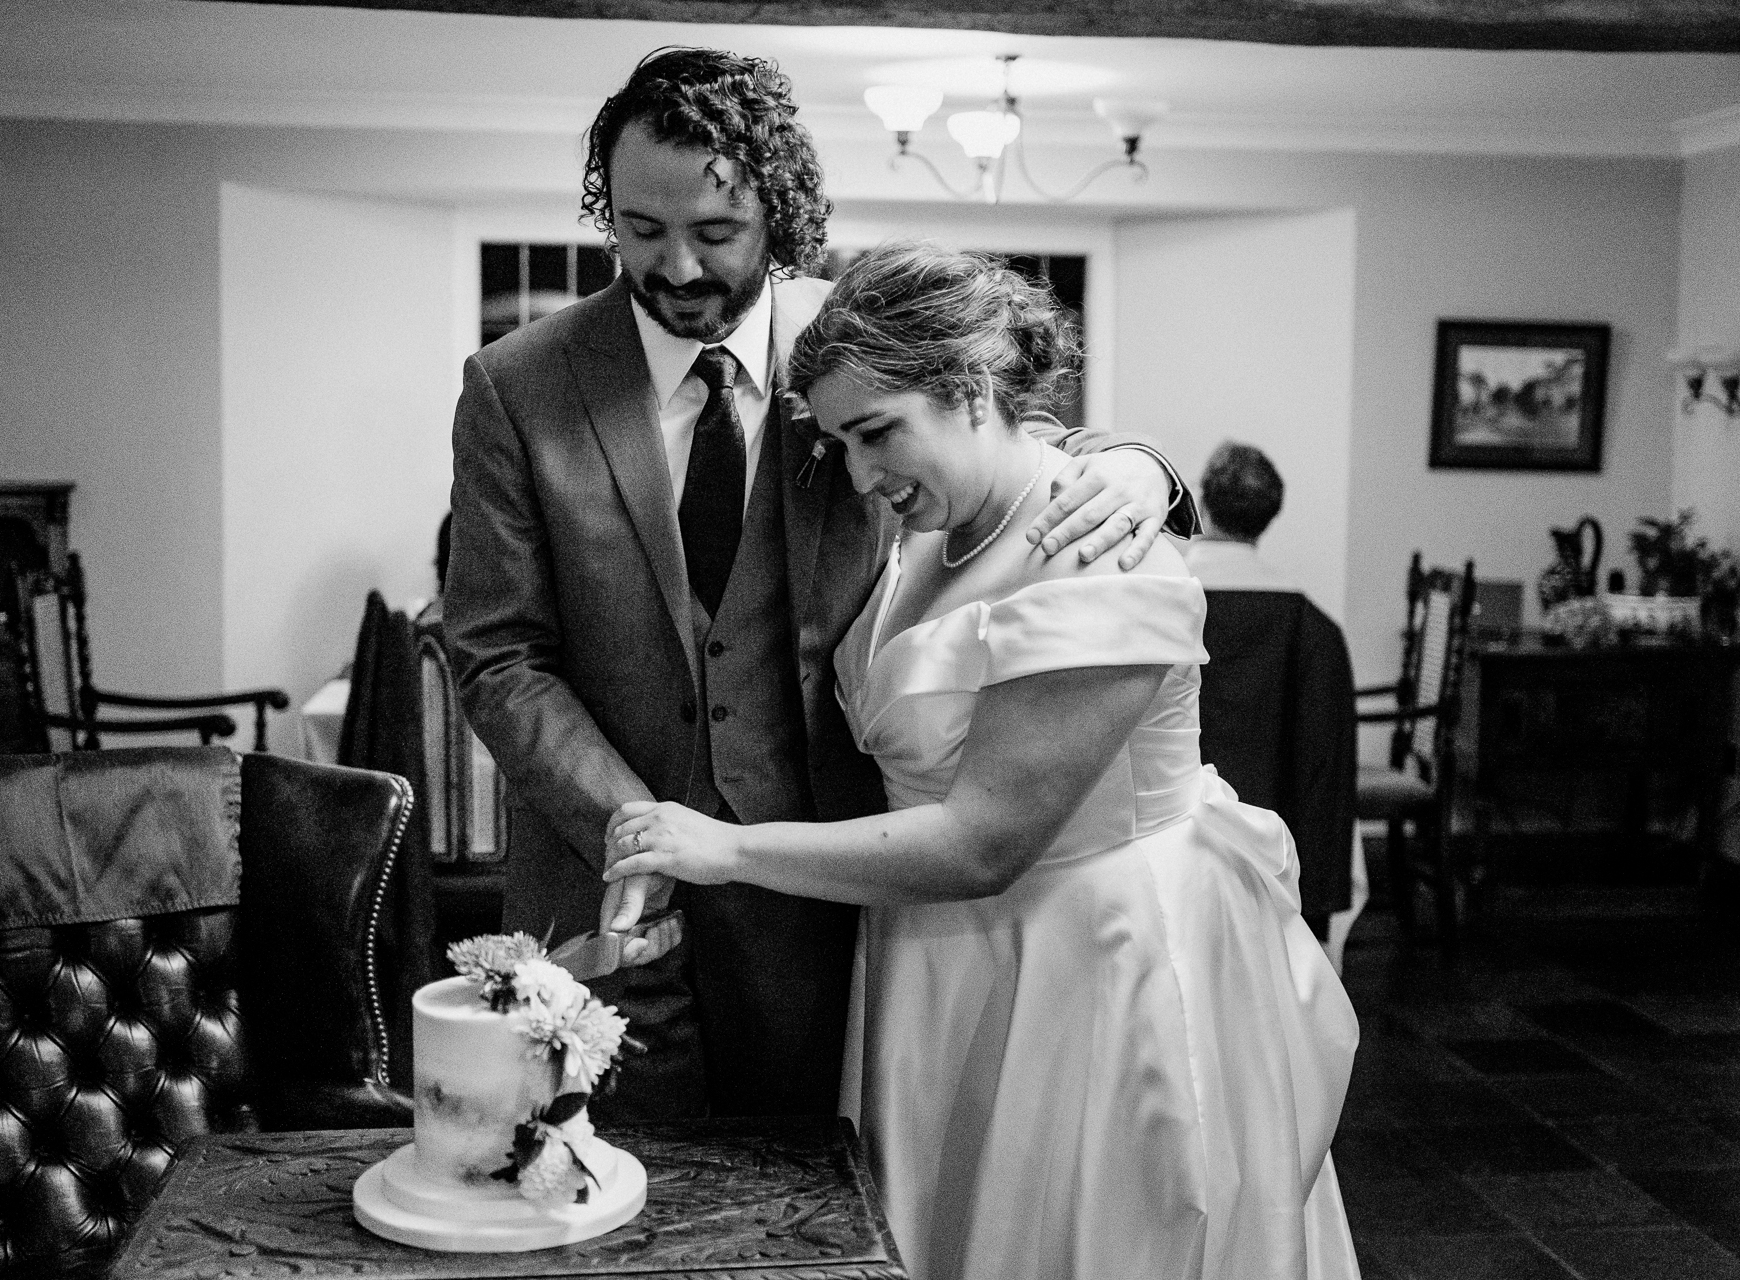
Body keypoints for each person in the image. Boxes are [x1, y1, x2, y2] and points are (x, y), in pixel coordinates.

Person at [445, 47, 1196, 1122]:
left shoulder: (849, 343)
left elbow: (997, 435)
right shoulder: (516, 385)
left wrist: (1141, 467)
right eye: (642, 231)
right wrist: (637, 824)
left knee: (815, 1195)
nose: (678, 268)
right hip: (602, 886)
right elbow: (497, 651)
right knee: (591, 1188)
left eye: (715, 233)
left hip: (827, 892)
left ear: (781, 214)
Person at [602, 244, 1360, 1280]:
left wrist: (725, 847)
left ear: (967, 386)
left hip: (1088, 966)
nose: (862, 475)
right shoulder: (927, 527)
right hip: (941, 961)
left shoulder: (1100, 553)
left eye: (877, 435)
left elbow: (981, 840)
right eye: (841, 445)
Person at [1185, 443, 1368, 971]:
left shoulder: (1162, 608)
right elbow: (1324, 775)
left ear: (1203, 501)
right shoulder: (1316, 632)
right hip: (1278, 888)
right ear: (1268, 517)